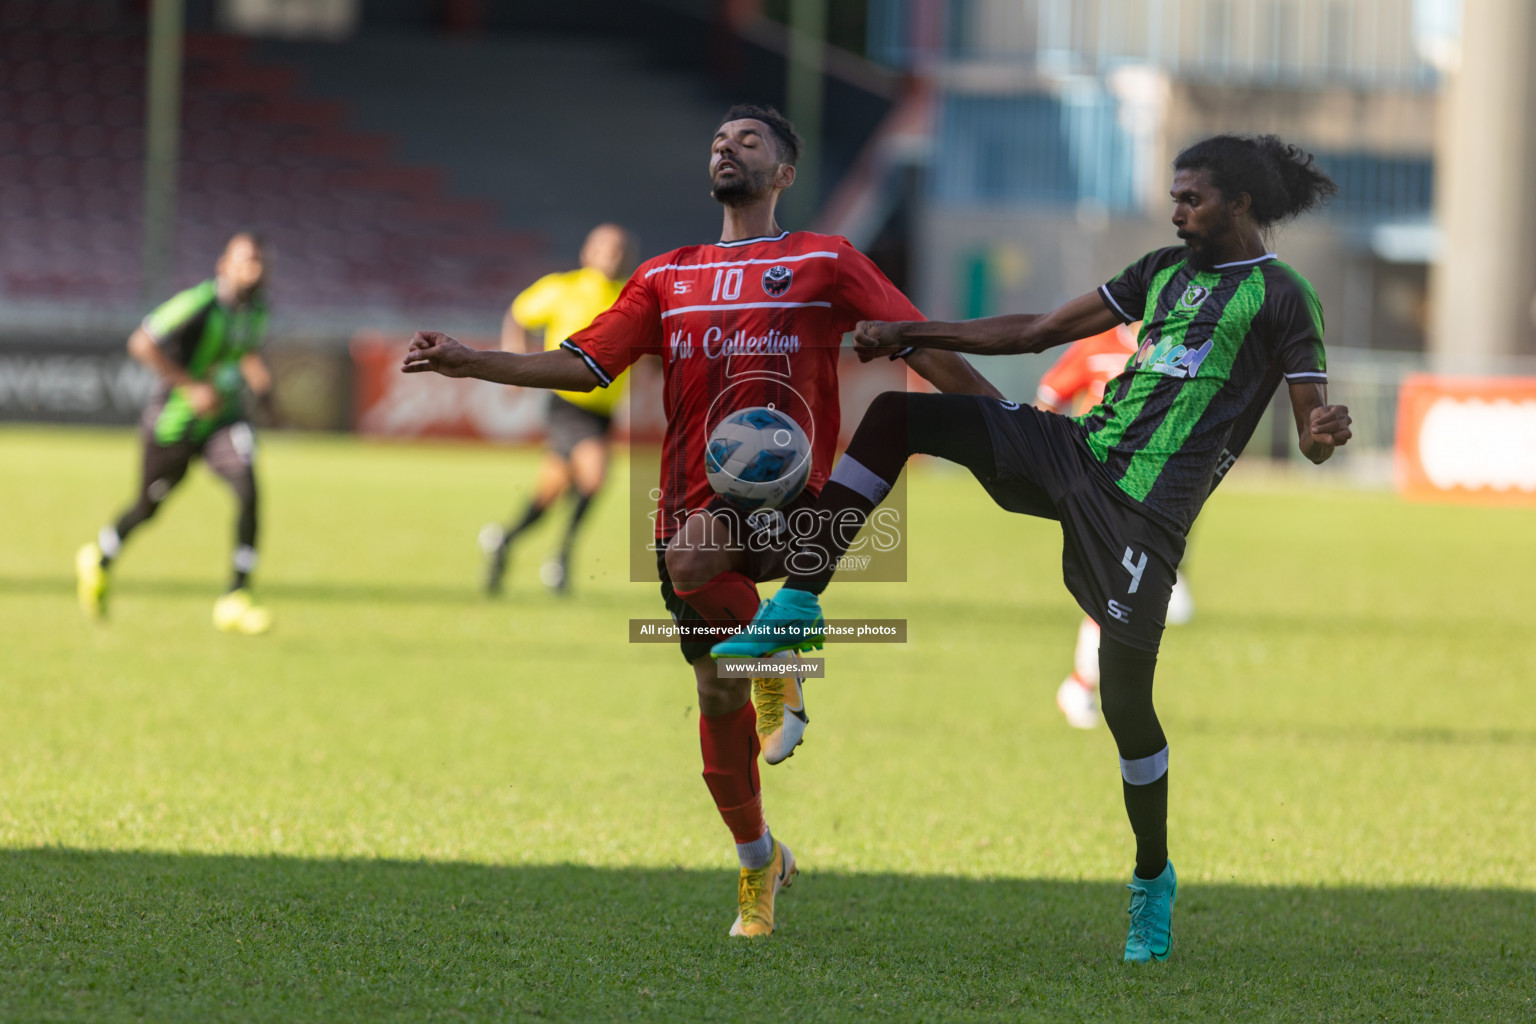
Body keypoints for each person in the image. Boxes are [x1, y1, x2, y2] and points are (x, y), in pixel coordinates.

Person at [715, 134, 1352, 962]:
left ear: (1237, 203)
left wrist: (1325, 434)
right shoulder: (1160, 270)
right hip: (1077, 453)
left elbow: (1312, 430)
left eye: (1191, 197)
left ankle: (1151, 883)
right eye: (1174, 194)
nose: (1175, 209)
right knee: (899, 419)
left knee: (1125, 707)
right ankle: (798, 603)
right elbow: (1042, 330)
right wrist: (915, 332)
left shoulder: (1283, 297)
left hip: (1144, 519)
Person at [402, 104, 1000, 937]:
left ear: (785, 174)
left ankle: (779, 655)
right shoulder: (665, 276)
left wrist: (1000, 416)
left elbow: (914, 339)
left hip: (796, 499)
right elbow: (583, 364)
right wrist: (472, 361)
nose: (728, 147)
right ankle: (761, 863)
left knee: (689, 562)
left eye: (749, 141)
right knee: (715, 691)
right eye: (720, 140)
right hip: (690, 494)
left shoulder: (824, 259)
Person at [75, 231, 276, 634]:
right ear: (224, 266)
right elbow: (142, 342)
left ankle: (236, 596)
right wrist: (190, 387)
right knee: (148, 507)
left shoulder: (257, 311)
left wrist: (260, 382)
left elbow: (243, 351)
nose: (252, 269)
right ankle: (99, 556)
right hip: (175, 424)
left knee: (249, 489)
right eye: (244, 261)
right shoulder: (199, 304)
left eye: (258, 261)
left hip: (223, 419)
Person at [1034, 324, 1196, 729]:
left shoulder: (1176, 349)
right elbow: (1051, 396)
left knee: (1121, 591)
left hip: (1151, 489)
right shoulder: (1096, 345)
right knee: (1116, 588)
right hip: (1098, 484)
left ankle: (1084, 685)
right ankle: (1083, 686)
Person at [480, 223, 637, 595]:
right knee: (596, 476)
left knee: (550, 494)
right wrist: (515, 366)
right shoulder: (562, 289)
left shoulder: (632, 297)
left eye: (618, 249)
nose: (611, 256)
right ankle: (561, 558)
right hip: (566, 403)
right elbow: (518, 315)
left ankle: (504, 541)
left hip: (603, 412)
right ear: (587, 252)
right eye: (604, 248)